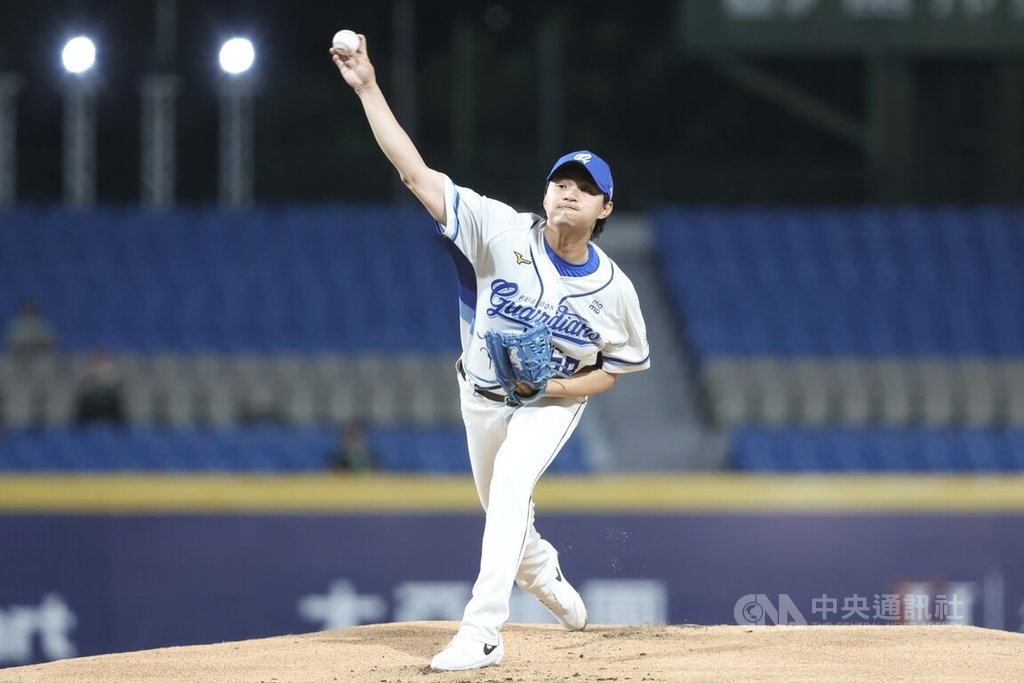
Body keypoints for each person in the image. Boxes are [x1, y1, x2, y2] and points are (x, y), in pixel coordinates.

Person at [330, 35, 650, 672]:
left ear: (605, 209)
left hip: (549, 404)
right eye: (562, 181)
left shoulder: (615, 290)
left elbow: (613, 371)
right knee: (505, 512)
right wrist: (368, 87)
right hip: (479, 394)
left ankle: (482, 632)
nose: (569, 192)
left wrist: (554, 390)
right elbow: (415, 174)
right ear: (545, 192)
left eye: (585, 189)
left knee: (508, 486)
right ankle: (544, 574)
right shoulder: (498, 227)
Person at [73, 348, 125, 425]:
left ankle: (120, 427)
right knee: (82, 401)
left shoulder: (111, 367)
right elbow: (83, 383)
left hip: (108, 396)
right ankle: (79, 427)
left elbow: (115, 382)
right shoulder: (89, 367)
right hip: (92, 397)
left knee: (118, 400)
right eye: (97, 356)